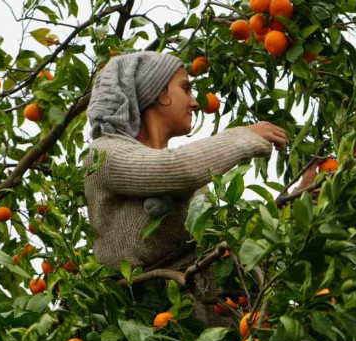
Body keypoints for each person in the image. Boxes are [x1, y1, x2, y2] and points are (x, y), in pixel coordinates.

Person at [83, 51, 315, 323]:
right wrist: (244, 137)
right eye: (185, 88)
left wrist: (302, 201)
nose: (194, 102)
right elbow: (173, 168)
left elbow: (238, 253)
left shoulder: (194, 191)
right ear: (157, 93)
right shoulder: (103, 155)